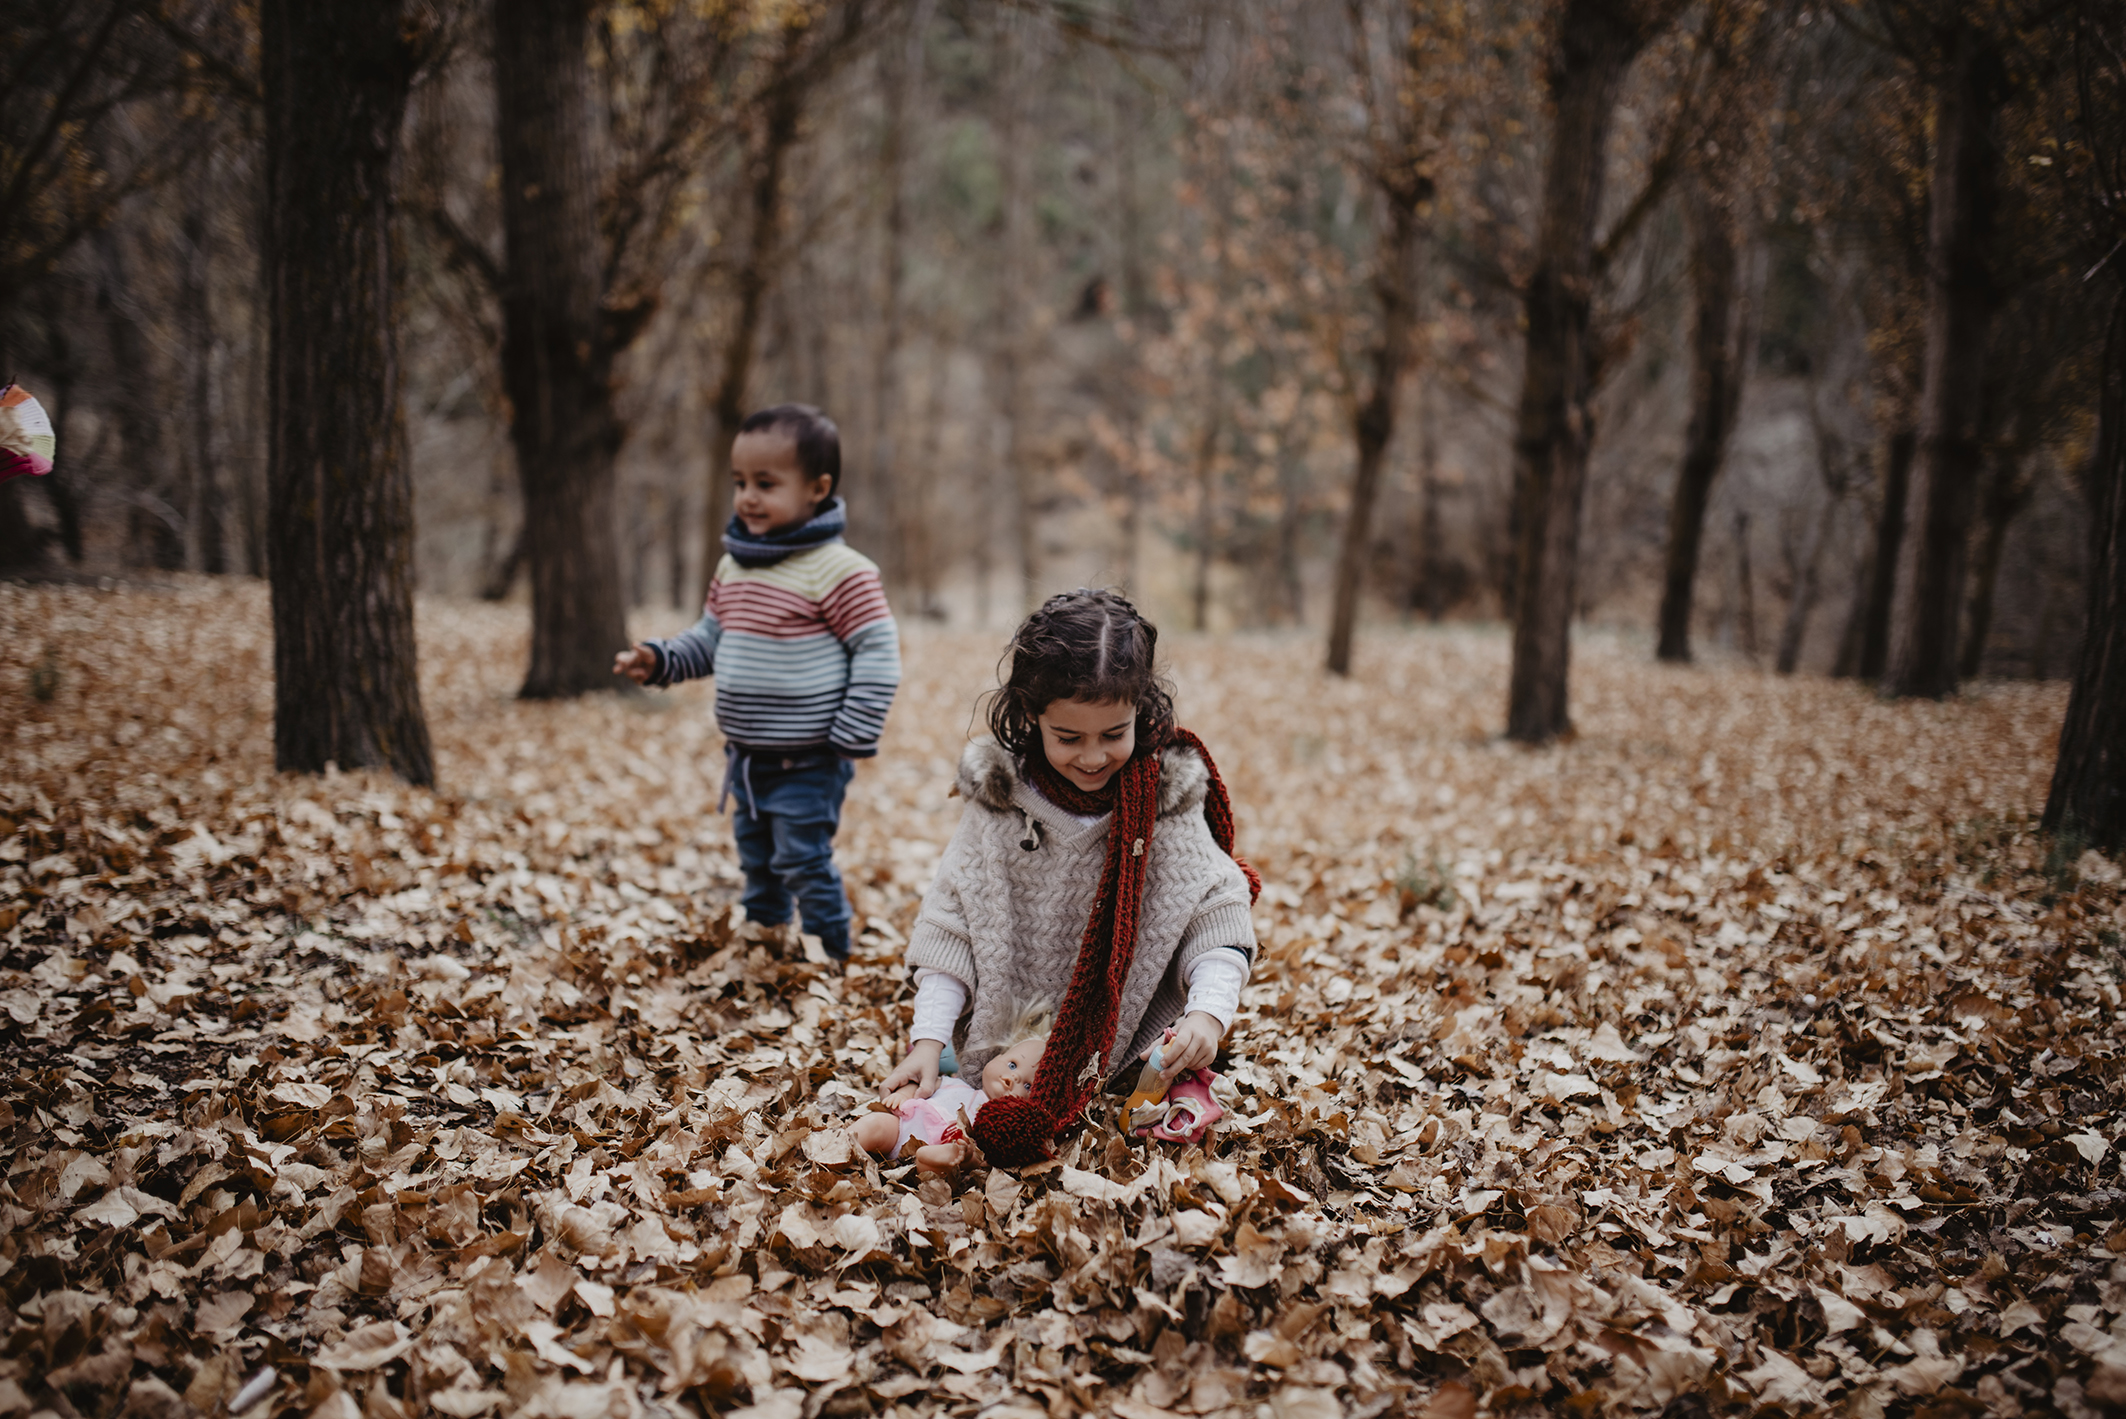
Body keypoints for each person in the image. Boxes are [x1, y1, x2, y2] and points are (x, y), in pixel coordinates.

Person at [877, 588, 1260, 1167]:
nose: (1091, 757)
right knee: (956, 1087)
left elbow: (1213, 911)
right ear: (1032, 715)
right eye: (1068, 737)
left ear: (1141, 710)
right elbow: (953, 924)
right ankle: (937, 1128)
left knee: (1169, 1092)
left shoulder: (1161, 801)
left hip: (1122, 1041)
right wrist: (926, 1041)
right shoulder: (1001, 804)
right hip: (1006, 1036)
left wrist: (1209, 1012)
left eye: (1113, 734)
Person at [614, 404, 899, 962]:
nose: (747, 497)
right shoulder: (735, 565)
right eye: (740, 483)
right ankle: (765, 940)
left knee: (801, 856)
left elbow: (878, 651)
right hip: (746, 756)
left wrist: (852, 730)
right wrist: (662, 660)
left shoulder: (840, 571)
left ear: (817, 488)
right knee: (757, 855)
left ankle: (830, 951)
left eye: (766, 484)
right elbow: (712, 638)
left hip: (811, 757)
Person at [855, 1031, 1045, 1173]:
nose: (1012, 1078)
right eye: (1012, 1065)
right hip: (902, 1129)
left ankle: (938, 1158)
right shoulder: (953, 1083)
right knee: (874, 1124)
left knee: (941, 1164)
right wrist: (904, 1095)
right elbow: (924, 1088)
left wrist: (967, 1156)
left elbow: (985, 1158)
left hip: (939, 1150)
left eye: (1028, 1086)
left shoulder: (997, 1124)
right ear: (996, 1058)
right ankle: (838, 1147)